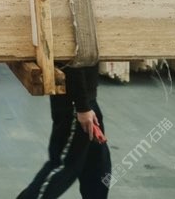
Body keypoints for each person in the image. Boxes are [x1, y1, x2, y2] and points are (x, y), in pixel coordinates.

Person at [17, 64, 111, 199]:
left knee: (98, 168)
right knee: (62, 167)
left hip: (88, 99)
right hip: (74, 103)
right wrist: (82, 107)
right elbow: (71, 60)